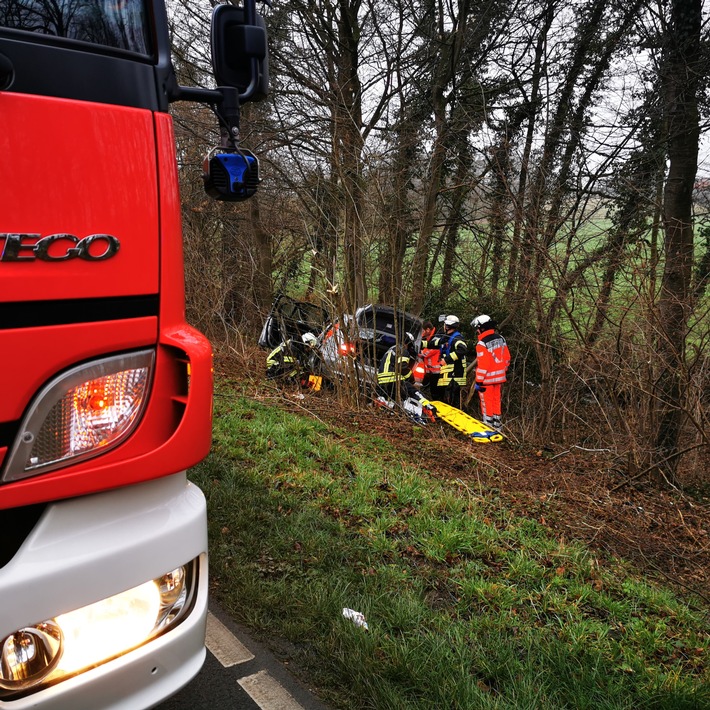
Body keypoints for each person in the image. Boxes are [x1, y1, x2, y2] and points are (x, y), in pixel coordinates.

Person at [471, 314, 510, 429]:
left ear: (482, 328)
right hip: (499, 378)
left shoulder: (482, 344)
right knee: (496, 401)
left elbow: (483, 365)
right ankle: (497, 426)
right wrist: (502, 370)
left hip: (486, 380)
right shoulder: (501, 339)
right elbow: (507, 358)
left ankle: (488, 426)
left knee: (486, 403)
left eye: (477, 328)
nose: (477, 331)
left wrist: (479, 381)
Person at [430, 315, 467, 407]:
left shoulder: (456, 338)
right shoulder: (446, 338)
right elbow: (432, 344)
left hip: (454, 375)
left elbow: (462, 349)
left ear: (446, 326)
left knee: (453, 399)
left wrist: (446, 359)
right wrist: (418, 343)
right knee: (442, 396)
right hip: (448, 376)